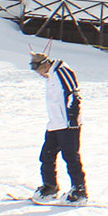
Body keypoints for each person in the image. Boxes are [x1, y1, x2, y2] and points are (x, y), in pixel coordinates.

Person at [29, 52, 88, 202]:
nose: (40, 75)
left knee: (70, 157)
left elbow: (74, 94)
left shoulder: (62, 72)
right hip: (55, 124)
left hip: (68, 125)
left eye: (40, 71)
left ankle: (79, 191)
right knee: (46, 155)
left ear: (45, 65)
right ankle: (50, 186)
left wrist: (73, 119)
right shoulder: (51, 76)